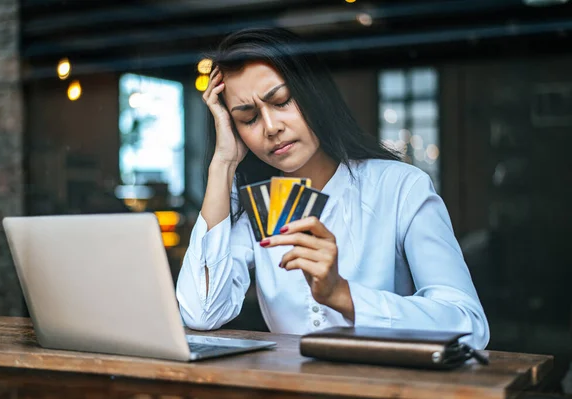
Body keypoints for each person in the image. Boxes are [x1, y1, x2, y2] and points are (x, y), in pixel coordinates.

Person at [176, 28, 490, 349]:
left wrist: (341, 294)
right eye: (249, 118)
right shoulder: (260, 206)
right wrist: (223, 163)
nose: (271, 127)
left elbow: (469, 325)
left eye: (282, 101)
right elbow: (201, 312)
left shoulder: (400, 187)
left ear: (313, 93)